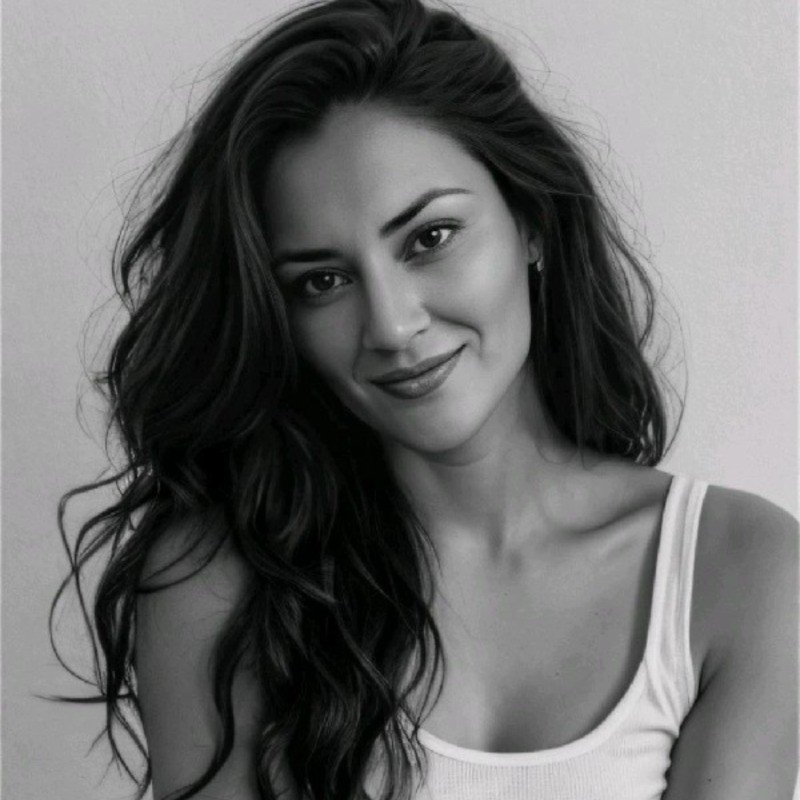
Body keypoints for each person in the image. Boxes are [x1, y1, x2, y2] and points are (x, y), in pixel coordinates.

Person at [48, 0, 798, 798]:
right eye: (322, 281)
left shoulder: (741, 572)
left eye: (429, 238)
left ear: (532, 220)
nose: (393, 325)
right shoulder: (219, 582)